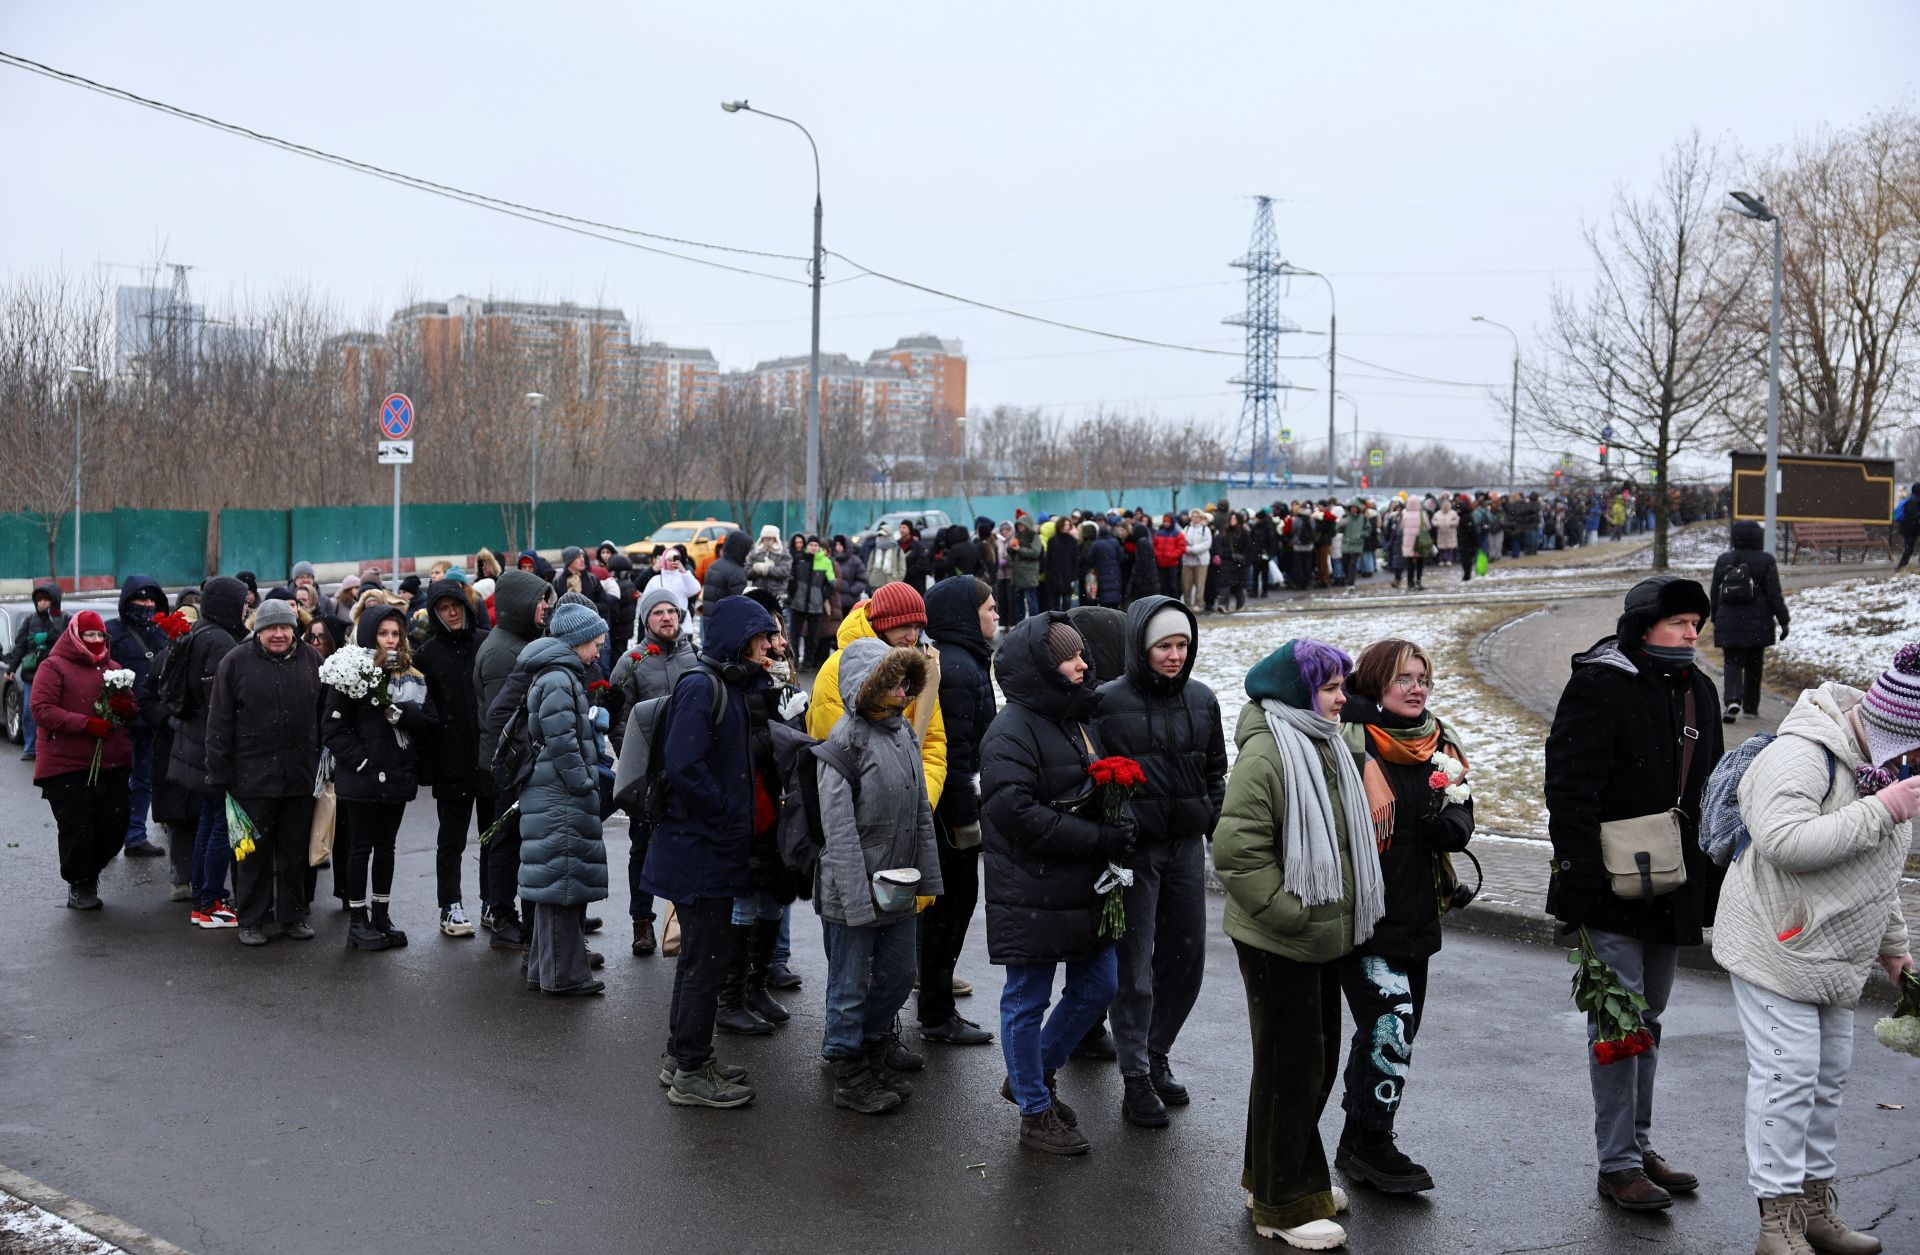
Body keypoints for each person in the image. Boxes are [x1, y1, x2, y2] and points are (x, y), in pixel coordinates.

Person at [1711, 647, 1917, 1255]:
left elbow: (1875, 874)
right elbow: (1784, 842)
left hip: (1836, 953)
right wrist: (1881, 810)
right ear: (1895, 730)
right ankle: (1777, 1222)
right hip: (1776, 941)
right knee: (1787, 1078)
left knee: (1827, 1080)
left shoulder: (1883, 771)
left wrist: (1896, 950)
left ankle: (1815, 1208)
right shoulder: (1801, 754)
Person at [1544, 575, 1725, 1213]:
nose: (1691, 632)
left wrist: (1710, 886)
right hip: (1609, 885)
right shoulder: (1602, 683)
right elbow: (1568, 787)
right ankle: (1617, 1162)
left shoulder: (1699, 688)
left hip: (1672, 884)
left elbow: (1710, 797)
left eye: (1695, 623)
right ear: (1644, 624)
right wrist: (1579, 879)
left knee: (1648, 1018)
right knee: (1617, 1022)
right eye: (1678, 622)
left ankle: (1640, 1145)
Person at [1214, 638, 1384, 1249]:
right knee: (1293, 1067)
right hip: (1278, 938)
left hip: (1319, 935)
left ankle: (1280, 1176)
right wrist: (1290, 915)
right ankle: (1282, 1205)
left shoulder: (1326, 742)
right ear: (1299, 693)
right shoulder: (1268, 754)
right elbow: (1237, 853)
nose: (1344, 699)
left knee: (1308, 1064)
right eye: (1333, 687)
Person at [1333, 638, 1475, 1195]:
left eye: (1422, 679)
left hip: (1418, 907)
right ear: (1374, 682)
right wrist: (1366, 764)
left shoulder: (1439, 739)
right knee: (1390, 1023)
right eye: (1404, 679)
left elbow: (1461, 796)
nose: (1417, 689)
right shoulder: (1348, 739)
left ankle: (1357, 1139)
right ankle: (1374, 1145)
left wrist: (1457, 825)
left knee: (1395, 1028)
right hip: (1365, 913)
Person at [980, 614, 1126, 1155]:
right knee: (1028, 997)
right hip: (1031, 884)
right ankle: (1035, 1113)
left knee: (1098, 986)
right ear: (1042, 666)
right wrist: (1095, 835)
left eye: (1082, 654)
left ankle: (1029, 1076)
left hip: (1082, 881)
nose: (1083, 664)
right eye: (1070, 657)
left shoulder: (1075, 716)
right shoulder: (1011, 728)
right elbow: (1012, 810)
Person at [643, 594, 781, 1109]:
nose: (770, 644)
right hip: (701, 848)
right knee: (706, 962)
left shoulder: (726, 684)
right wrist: (725, 814)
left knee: (700, 959)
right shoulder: (704, 686)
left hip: (706, 846)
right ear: (740, 639)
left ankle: (683, 1058)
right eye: (762, 636)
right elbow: (685, 766)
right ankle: (692, 1073)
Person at [1094, 595, 1226, 1128]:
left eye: (1182, 645)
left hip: (1185, 847)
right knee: (1134, 962)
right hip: (1135, 852)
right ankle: (1134, 1074)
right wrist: (1114, 829)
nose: (1174, 655)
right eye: (1163, 646)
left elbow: (1216, 770)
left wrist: (1208, 816)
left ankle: (1158, 1049)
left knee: (1186, 955)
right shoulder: (1107, 702)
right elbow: (1093, 773)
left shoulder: (1202, 699)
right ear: (1141, 648)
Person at [815, 638, 944, 1113]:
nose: (900, 689)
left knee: (898, 974)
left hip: (898, 887)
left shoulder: (904, 734)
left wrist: (927, 878)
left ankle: (869, 1045)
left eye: (903, 680)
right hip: (851, 891)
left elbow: (919, 815)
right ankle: (847, 1067)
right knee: (848, 985)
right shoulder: (843, 740)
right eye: (889, 680)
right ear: (865, 686)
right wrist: (855, 901)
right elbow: (839, 829)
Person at [203, 599, 322, 946]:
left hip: (299, 776)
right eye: (271, 628)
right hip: (251, 779)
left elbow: (323, 713)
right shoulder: (235, 662)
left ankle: (292, 916)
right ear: (259, 631)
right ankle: (251, 920)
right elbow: (219, 722)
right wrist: (219, 772)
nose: (279, 634)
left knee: (294, 853)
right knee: (251, 855)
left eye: (285, 627)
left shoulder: (311, 659)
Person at [323, 604, 437, 953]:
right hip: (362, 778)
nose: (390, 640)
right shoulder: (352, 673)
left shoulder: (411, 674)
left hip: (397, 776)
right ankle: (357, 921)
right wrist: (362, 761)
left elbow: (430, 722)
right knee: (360, 848)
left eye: (395, 633)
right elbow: (332, 727)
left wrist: (403, 714)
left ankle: (381, 915)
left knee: (386, 848)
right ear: (371, 634)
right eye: (383, 633)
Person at [917, 576, 998, 1048]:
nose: (995, 614)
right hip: (952, 817)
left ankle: (933, 998)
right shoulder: (961, 669)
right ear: (966, 615)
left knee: (941, 911)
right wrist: (967, 821)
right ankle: (936, 1013)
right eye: (988, 607)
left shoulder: (959, 660)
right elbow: (960, 754)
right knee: (951, 907)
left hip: (944, 810)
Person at [516, 602, 613, 996]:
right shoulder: (559, 678)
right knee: (564, 886)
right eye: (595, 644)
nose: (599, 652)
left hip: (551, 792)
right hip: (560, 795)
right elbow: (563, 743)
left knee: (556, 888)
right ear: (576, 642)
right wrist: (586, 781)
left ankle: (545, 971)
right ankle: (564, 978)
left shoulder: (556, 674)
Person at [608, 584, 700, 957]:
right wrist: (633, 758)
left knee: (687, 845)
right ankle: (641, 921)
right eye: (659, 612)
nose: (667, 618)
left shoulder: (693, 656)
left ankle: (681, 923)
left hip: (687, 770)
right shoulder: (632, 661)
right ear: (646, 620)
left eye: (672, 612)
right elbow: (617, 716)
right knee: (642, 847)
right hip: (648, 775)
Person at [31, 612, 135, 910]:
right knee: (79, 827)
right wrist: (85, 724)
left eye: (100, 635)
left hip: (111, 763)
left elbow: (132, 711)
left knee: (114, 825)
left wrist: (124, 707)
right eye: (88, 635)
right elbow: (41, 709)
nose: (95, 641)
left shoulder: (114, 668)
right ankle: (81, 885)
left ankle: (91, 869)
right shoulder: (53, 667)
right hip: (67, 766)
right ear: (74, 635)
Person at [472, 569, 554, 948]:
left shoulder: (517, 642)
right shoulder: (505, 651)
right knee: (506, 842)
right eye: (540, 599)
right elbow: (505, 717)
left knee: (515, 841)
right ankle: (503, 916)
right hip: (508, 766)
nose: (546, 607)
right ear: (520, 604)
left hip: (512, 762)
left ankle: (537, 916)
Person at [168, 576, 249, 929]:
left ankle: (203, 896)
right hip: (210, 747)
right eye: (243, 601)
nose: (247, 608)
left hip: (193, 745)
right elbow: (222, 701)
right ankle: (211, 901)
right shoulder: (220, 640)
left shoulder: (200, 631)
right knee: (221, 825)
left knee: (209, 820)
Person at [414, 578, 493, 938]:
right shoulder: (427, 654)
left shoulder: (484, 643)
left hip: (488, 758)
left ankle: (494, 901)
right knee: (452, 839)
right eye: (444, 607)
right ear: (435, 612)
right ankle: (451, 905)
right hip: (450, 762)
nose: (451, 612)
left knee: (494, 836)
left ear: (466, 606)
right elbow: (423, 711)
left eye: (456, 605)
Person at [104, 574, 171, 858]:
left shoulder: (161, 632)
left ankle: (135, 837)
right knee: (113, 783)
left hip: (152, 723)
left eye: (151, 600)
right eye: (140, 599)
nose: (146, 604)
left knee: (144, 781)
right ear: (126, 602)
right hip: (120, 723)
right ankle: (107, 842)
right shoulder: (111, 632)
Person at [1709, 519, 1790, 723]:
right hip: (1758, 623)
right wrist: (1784, 620)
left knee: (1732, 662)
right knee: (1755, 664)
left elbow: (1714, 592)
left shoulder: (1724, 559)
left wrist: (1715, 617)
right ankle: (1751, 707)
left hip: (1729, 621)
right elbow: (1774, 594)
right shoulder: (1766, 560)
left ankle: (1732, 700)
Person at [5, 581, 69, 762]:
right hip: (32, 674)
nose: (42, 603)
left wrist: (48, 637)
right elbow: (20, 646)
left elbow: (68, 640)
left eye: (46, 600)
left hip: (56, 674)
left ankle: (54, 746)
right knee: (28, 711)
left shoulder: (63, 619)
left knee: (56, 712)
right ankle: (31, 748)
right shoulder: (30, 620)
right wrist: (11, 668)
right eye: (39, 600)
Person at [745, 525, 792, 596]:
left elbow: (785, 571)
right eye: (765, 538)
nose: (767, 541)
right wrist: (756, 569)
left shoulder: (783, 553)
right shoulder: (755, 552)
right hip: (758, 592)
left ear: (775, 538)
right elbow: (747, 572)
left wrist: (768, 569)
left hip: (777, 593)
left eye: (770, 538)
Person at [1179, 510, 1212, 611]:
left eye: (1197, 516)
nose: (1195, 518)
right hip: (1188, 561)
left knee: (1200, 584)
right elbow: (1181, 541)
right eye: (1193, 516)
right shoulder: (1186, 529)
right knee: (1186, 584)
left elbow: (1207, 544)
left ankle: (1199, 604)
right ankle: (1188, 604)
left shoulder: (1205, 529)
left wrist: (1193, 549)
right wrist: (1187, 549)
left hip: (1201, 561)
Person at [1895, 483, 1920, 572]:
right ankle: (1900, 567)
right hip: (1909, 530)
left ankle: (1901, 566)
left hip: (1913, 529)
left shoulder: (1914, 501)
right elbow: (1915, 515)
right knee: (1909, 549)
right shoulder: (1911, 502)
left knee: (1909, 549)